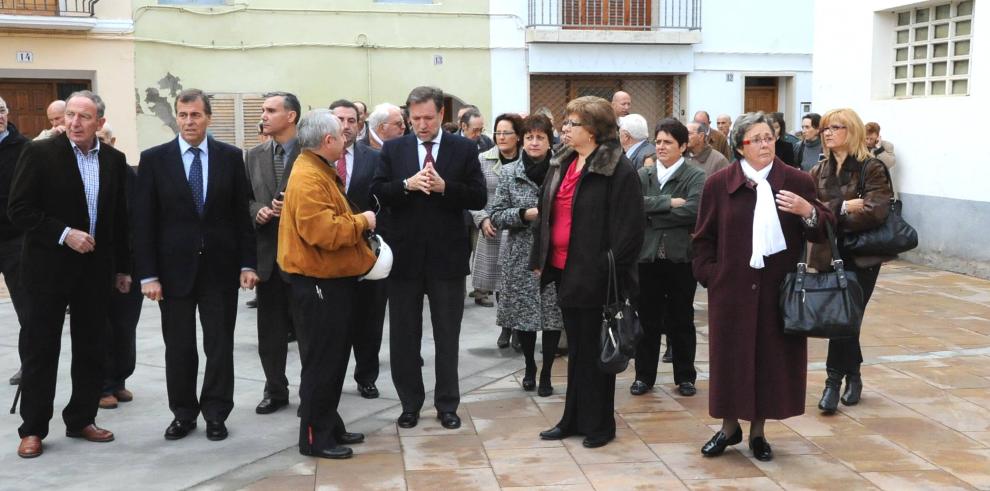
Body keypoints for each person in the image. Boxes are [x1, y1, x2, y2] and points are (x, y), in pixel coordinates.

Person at [692, 111, 834, 462]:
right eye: (755, 139)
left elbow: (823, 231)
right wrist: (712, 274)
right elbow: (702, 237)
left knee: (769, 360)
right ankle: (728, 428)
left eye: (768, 137)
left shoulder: (797, 181)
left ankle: (758, 432)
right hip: (731, 291)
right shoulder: (719, 183)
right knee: (731, 360)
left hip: (777, 290)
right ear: (740, 146)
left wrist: (808, 211)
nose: (764, 144)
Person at [9, 90, 131, 458]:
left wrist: (124, 268)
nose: (74, 123)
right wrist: (65, 234)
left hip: (95, 272)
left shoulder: (114, 159)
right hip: (46, 270)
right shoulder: (40, 153)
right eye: (70, 116)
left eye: (84, 117)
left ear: (100, 123)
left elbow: (119, 221)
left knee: (92, 348)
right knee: (41, 350)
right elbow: (20, 209)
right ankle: (33, 429)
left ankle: (81, 419)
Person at [134, 89, 258, 442]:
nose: (189, 121)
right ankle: (183, 413)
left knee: (219, 346)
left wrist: (248, 263)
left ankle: (216, 413)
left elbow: (240, 216)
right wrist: (148, 274)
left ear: (208, 118)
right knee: (180, 347)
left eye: (195, 115)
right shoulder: (155, 159)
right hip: (172, 276)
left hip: (220, 270)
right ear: (177, 117)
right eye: (183, 115)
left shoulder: (231, 157)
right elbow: (143, 222)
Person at [370, 86, 487, 430]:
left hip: (446, 259)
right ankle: (410, 404)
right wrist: (406, 185)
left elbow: (478, 196)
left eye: (428, 118)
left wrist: (445, 188)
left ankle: (447, 404)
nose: (421, 124)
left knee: (447, 336)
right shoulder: (394, 149)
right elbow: (377, 191)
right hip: (404, 259)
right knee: (404, 337)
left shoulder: (463, 149)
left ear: (441, 116)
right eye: (415, 118)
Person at [532, 96, 644, 449]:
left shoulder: (617, 168)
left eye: (572, 123)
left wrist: (603, 267)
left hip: (597, 277)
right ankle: (572, 419)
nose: (564, 129)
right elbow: (548, 210)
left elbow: (630, 230)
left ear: (593, 130)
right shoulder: (562, 162)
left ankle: (600, 424)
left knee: (597, 353)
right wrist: (542, 257)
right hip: (565, 271)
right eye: (565, 122)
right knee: (578, 351)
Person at [277, 108, 375, 459]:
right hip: (318, 283)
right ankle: (315, 438)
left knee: (332, 360)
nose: (347, 136)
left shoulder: (317, 169)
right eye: (341, 133)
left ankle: (329, 424)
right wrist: (362, 221)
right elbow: (323, 231)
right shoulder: (307, 177)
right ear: (327, 140)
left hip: (331, 280)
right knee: (322, 363)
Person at [810, 109, 893, 414]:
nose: (827, 133)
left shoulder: (871, 168)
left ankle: (832, 383)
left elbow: (875, 210)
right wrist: (843, 207)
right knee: (843, 318)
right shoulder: (817, 170)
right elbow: (809, 214)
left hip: (861, 257)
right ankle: (854, 376)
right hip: (827, 254)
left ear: (853, 131)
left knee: (845, 317)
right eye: (824, 129)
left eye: (835, 127)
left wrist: (829, 215)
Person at [631, 118, 705, 398]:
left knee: (681, 319)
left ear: (683, 146)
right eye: (658, 141)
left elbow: (694, 211)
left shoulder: (695, 176)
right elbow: (632, 206)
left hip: (680, 259)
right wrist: (666, 203)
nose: (661, 147)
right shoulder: (643, 175)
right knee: (647, 319)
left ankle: (685, 376)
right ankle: (643, 376)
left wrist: (652, 216)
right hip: (647, 259)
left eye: (668, 143)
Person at [489, 114, 563, 395]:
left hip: (554, 253)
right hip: (520, 255)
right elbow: (496, 214)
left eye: (540, 137)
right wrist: (524, 214)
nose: (534, 142)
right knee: (524, 317)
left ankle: (546, 373)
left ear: (549, 140)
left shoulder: (562, 169)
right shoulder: (509, 172)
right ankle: (530, 367)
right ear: (522, 139)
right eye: (530, 137)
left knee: (553, 316)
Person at [244, 91, 301, 415]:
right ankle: (275, 390)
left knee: (308, 334)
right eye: (263, 110)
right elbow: (246, 198)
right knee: (270, 336)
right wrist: (258, 211)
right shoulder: (253, 155)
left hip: (302, 260)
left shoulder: (311, 154)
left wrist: (291, 208)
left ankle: (312, 390)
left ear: (290, 116)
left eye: (270, 110)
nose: (263, 116)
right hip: (267, 260)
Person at [329, 99, 389, 400]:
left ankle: (367, 376)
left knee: (370, 318)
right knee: (335, 322)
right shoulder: (315, 159)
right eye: (339, 119)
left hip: (366, 252)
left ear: (360, 124)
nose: (346, 125)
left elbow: (382, 200)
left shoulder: (374, 157)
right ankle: (332, 379)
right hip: (329, 253)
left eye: (352, 120)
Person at [94, 123, 143, 410]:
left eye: (104, 139)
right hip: (96, 262)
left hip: (128, 260)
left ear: (113, 139)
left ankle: (120, 378)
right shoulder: (86, 170)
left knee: (126, 324)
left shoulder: (125, 171)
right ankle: (103, 386)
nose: (100, 143)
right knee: (103, 327)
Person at [471, 113, 520, 310]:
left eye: (506, 133)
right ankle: (505, 326)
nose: (501, 137)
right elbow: (473, 195)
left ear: (518, 135)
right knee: (499, 282)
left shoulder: (528, 158)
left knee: (518, 281)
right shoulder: (483, 159)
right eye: (497, 132)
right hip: (492, 227)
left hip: (519, 226)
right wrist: (482, 219)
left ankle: (517, 329)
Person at [0, 95, 29, 387]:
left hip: (15, 239)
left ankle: (29, 364)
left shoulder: (24, 148)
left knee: (26, 306)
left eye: (1, 109)